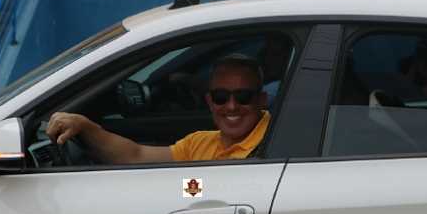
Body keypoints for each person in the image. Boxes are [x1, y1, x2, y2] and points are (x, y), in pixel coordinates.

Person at [46, 54, 270, 164]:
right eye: (221, 97)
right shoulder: (199, 143)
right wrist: (85, 126)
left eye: (244, 97)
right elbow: (136, 155)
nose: (231, 106)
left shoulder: (276, 140)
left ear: (262, 100)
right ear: (210, 101)